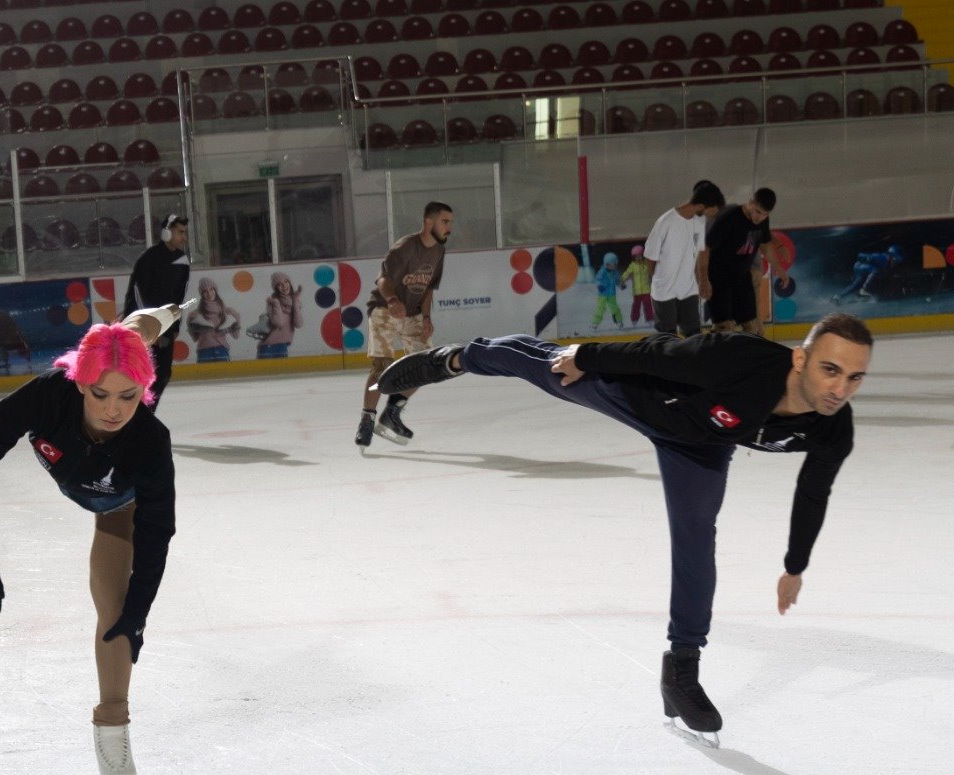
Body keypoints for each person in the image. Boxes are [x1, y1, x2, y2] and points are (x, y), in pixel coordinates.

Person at [374, 313, 872, 745]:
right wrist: (587, 357)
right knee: (547, 366)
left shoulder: (833, 427)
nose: (839, 389)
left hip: (699, 450)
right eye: (831, 370)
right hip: (642, 395)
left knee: (697, 537)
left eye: (854, 378)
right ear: (800, 360)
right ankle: (455, 359)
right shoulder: (740, 359)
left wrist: (794, 567)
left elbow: (813, 492)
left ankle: (681, 669)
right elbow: (659, 354)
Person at [0, 310, 179, 775]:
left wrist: (138, 611)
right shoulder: (47, 395)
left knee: (114, 611)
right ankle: (160, 314)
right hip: (80, 455)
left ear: (145, 393)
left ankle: (113, 723)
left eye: (129, 397)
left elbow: (158, 533)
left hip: (119, 507)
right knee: (130, 333)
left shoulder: (151, 441)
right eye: (100, 395)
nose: (113, 410)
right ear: (79, 384)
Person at [356, 201, 452, 447]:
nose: (449, 228)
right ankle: (368, 418)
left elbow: (428, 288)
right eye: (445, 222)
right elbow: (383, 279)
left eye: (450, 222)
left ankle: (392, 412)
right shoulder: (406, 247)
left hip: (414, 313)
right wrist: (392, 300)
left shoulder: (439, 251)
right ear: (428, 222)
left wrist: (427, 317)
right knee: (382, 368)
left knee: (427, 366)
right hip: (385, 309)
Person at [122, 214, 190, 409]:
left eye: (185, 233)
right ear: (166, 232)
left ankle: (145, 415)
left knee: (163, 374)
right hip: (143, 327)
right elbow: (138, 294)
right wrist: (150, 327)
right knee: (139, 374)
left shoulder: (182, 261)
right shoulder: (149, 259)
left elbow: (179, 297)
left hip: (165, 326)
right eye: (180, 232)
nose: (184, 238)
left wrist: (174, 324)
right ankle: (133, 414)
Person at [643, 181, 725, 338]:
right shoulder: (665, 222)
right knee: (667, 338)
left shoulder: (700, 222)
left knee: (694, 336)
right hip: (664, 291)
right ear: (702, 206)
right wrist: (658, 281)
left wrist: (703, 279)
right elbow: (650, 257)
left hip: (689, 289)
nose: (712, 215)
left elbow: (701, 251)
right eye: (712, 211)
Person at [705, 188, 790, 336]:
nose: (760, 218)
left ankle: (747, 356)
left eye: (765, 214)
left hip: (742, 277)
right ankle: (717, 349)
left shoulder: (762, 221)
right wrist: (702, 278)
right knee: (724, 327)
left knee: (751, 327)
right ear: (750, 202)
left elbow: (766, 246)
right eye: (757, 211)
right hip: (720, 277)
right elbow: (705, 248)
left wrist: (780, 271)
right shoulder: (730, 216)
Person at [187, 277, 241, 363]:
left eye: (211, 289)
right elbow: (195, 337)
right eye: (205, 291)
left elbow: (236, 335)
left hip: (221, 349)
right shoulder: (196, 314)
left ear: (215, 290)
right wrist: (190, 322)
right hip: (204, 350)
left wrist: (237, 317)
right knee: (204, 376)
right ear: (202, 294)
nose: (209, 293)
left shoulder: (226, 312)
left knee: (224, 376)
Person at [257, 272, 303, 361]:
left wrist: (295, 301)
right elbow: (278, 323)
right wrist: (276, 304)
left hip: (282, 346)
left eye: (286, 281)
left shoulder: (295, 302)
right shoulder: (273, 302)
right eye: (279, 284)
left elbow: (298, 324)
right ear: (276, 288)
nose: (284, 286)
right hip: (267, 346)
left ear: (290, 283)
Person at [832, 245, 904, 303]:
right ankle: (863, 291)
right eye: (895, 260)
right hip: (860, 266)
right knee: (875, 271)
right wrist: (867, 258)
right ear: (890, 256)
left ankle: (838, 297)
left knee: (856, 285)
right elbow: (859, 255)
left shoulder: (888, 263)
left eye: (897, 261)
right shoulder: (880, 257)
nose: (895, 263)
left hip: (864, 269)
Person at [621, 245, 653, 327]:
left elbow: (651, 271)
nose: (638, 258)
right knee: (636, 305)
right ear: (633, 257)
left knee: (648, 304)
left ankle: (650, 319)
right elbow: (627, 273)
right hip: (637, 291)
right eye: (636, 257)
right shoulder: (632, 265)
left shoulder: (646, 264)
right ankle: (634, 319)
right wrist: (623, 279)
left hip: (646, 290)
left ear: (643, 255)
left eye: (640, 256)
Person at [592, 251, 624, 331]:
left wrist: (620, 285)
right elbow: (598, 279)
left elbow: (617, 280)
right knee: (600, 308)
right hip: (602, 294)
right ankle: (595, 322)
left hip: (611, 294)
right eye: (611, 264)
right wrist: (599, 285)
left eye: (614, 264)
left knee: (614, 308)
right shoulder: (602, 271)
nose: (613, 266)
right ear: (606, 264)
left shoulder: (615, 272)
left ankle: (618, 321)